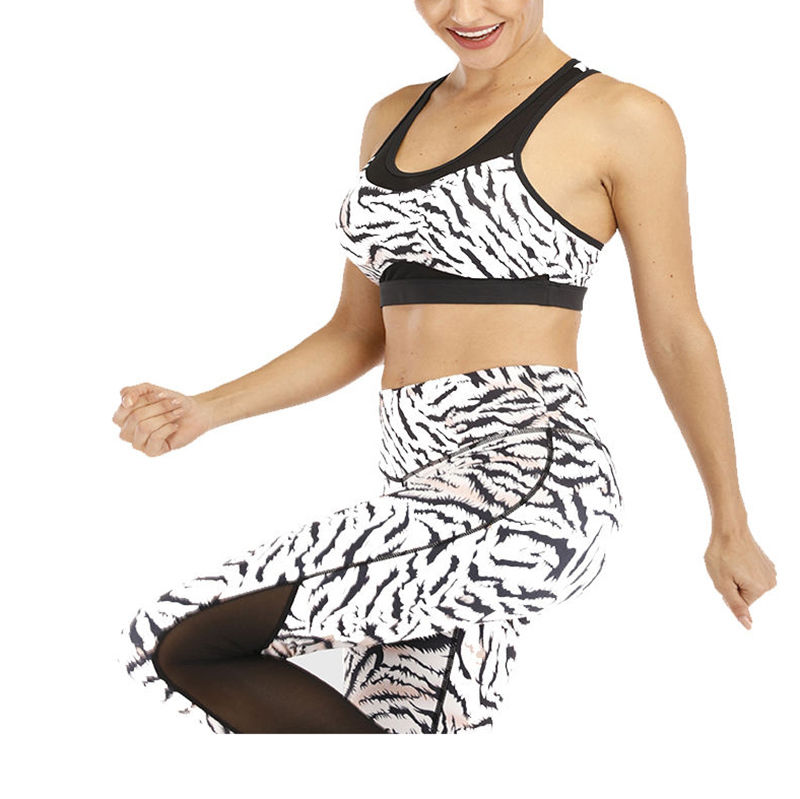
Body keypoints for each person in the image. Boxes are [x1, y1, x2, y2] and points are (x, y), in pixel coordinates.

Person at [113, 1, 778, 734]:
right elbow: (355, 333)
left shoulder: (622, 117)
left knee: (175, 639)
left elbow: (676, 333)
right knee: (404, 732)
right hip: (413, 480)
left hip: (528, 476)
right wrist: (205, 409)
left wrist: (730, 521)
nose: (464, 11)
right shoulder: (391, 118)